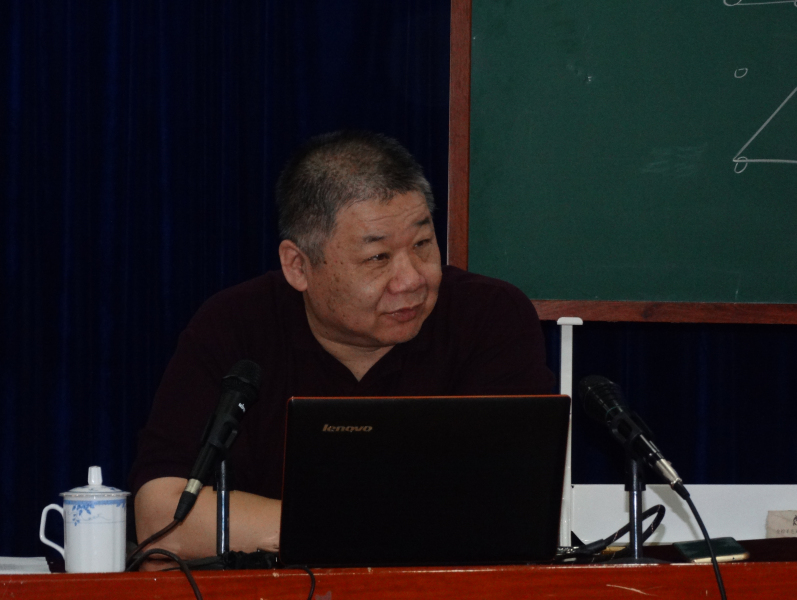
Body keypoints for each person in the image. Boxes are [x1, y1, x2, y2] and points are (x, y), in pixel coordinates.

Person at [129, 130, 554, 562]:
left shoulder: (488, 317)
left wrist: (321, 528)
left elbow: (515, 510)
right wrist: (376, 527)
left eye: (423, 245)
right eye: (378, 258)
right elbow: (163, 518)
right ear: (298, 266)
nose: (412, 279)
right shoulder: (234, 326)